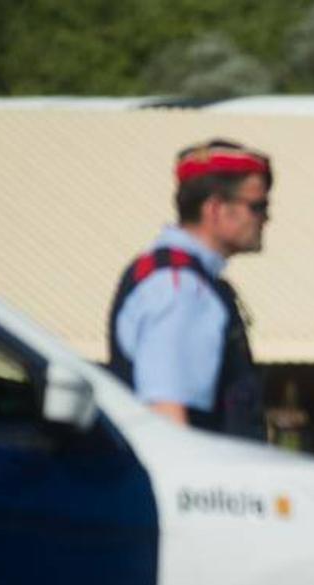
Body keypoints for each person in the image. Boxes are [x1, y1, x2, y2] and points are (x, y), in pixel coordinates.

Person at [108, 139, 272, 441]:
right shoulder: (182, 289)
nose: (266, 218)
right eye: (257, 206)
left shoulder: (178, 276)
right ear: (216, 209)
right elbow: (168, 419)